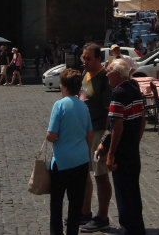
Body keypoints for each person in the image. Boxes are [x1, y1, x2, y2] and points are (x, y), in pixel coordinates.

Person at [97, 59, 146, 235]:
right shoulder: (134, 88)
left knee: (123, 194)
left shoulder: (118, 93)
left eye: (109, 71)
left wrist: (110, 154)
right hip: (133, 150)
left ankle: (128, 230)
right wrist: (135, 141)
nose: (106, 74)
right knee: (133, 193)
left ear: (117, 74)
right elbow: (142, 120)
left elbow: (116, 127)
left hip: (122, 152)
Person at [46, 69, 95, 235]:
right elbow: (90, 134)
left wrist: (49, 135)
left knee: (56, 204)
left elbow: (52, 135)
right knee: (75, 204)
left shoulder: (59, 105)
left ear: (64, 86)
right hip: (81, 161)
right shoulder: (84, 106)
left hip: (62, 162)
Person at [77, 43, 113, 232]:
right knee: (84, 173)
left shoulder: (104, 79)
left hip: (99, 131)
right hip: (85, 132)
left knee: (100, 175)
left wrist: (105, 139)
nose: (85, 61)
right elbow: (83, 97)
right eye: (83, 57)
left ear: (98, 59)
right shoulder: (86, 74)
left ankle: (102, 217)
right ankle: (85, 212)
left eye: (88, 58)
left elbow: (110, 113)